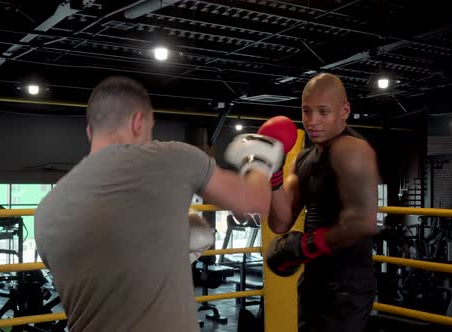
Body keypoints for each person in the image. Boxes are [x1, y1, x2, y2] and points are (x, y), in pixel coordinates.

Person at [34, 76, 283, 331]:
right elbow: (253, 202)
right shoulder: (172, 157)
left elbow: (103, 278)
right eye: (150, 130)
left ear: (90, 131)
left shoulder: (46, 212)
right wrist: (259, 159)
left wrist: (166, 247)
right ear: (138, 121)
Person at [264, 73, 380, 332]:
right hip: (314, 277)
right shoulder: (303, 159)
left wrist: (305, 246)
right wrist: (272, 173)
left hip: (347, 285)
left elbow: (363, 222)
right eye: (306, 111)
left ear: (344, 111)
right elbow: (281, 222)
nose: (312, 121)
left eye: (323, 112)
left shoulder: (352, 150)